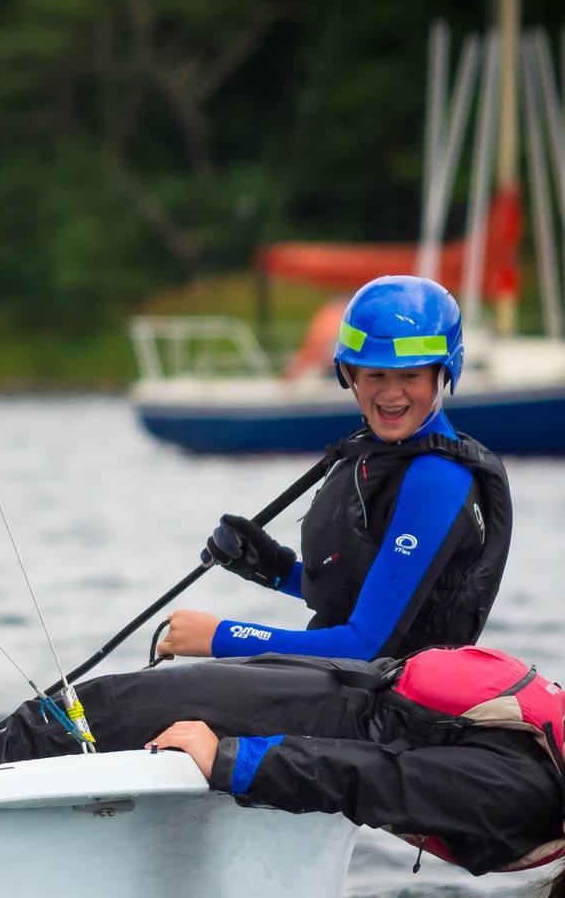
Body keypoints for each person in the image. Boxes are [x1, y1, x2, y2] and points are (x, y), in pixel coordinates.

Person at [0, 646, 565, 898]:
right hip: (329, 693)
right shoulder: (547, 741)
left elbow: (375, 780)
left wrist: (227, 757)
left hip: (304, 728)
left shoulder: (520, 792)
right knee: (88, 705)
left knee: (82, 715)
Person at [158, 275, 513, 663]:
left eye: (410, 376)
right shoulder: (385, 456)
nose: (391, 394)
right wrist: (269, 567)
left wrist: (220, 637)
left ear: (444, 372)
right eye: (375, 374)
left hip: (392, 708)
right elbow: (359, 593)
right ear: (350, 375)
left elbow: (365, 646)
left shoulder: (436, 480)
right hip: (348, 690)